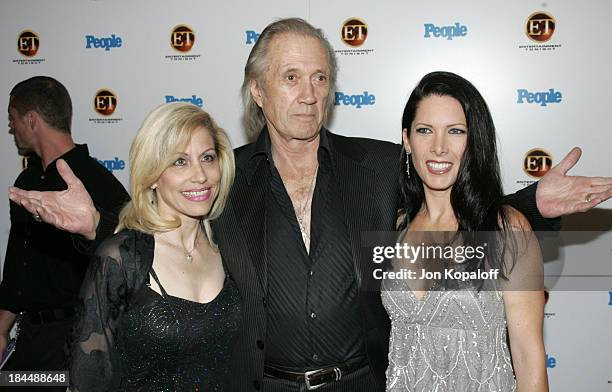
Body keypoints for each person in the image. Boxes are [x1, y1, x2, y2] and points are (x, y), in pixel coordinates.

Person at [7, 19, 612, 392]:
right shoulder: (226, 179)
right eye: (291, 77)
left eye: (321, 78)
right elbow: (170, 234)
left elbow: (451, 200)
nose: (308, 93)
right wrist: (101, 226)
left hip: (366, 386)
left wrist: (531, 201)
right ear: (257, 91)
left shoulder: (377, 166)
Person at [382, 71, 548, 391]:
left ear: (474, 140)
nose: (439, 147)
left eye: (455, 131)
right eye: (424, 130)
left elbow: (529, 359)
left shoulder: (507, 229)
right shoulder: (395, 226)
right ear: (407, 139)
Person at [68, 102, 241, 391]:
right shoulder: (121, 258)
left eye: (208, 158)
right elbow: (89, 377)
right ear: (153, 175)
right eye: (180, 161)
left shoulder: (228, 247)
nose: (200, 175)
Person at [0, 76, 129, 391]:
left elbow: (131, 262)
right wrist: (2, 328)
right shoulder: (26, 179)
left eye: (12, 119)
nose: (11, 128)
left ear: (31, 119)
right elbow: (19, 268)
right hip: (30, 338)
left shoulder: (99, 183)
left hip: (77, 340)